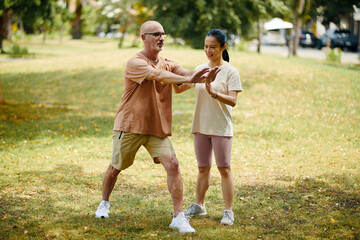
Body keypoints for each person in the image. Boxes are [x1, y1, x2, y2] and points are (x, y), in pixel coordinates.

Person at [94, 20, 217, 233]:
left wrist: (201, 78)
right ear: (144, 37)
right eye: (156, 34)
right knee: (115, 168)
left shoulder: (167, 62)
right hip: (130, 126)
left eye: (163, 34)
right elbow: (158, 76)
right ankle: (104, 202)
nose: (161, 38)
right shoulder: (135, 62)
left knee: (174, 165)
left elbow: (181, 80)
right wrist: (190, 77)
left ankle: (178, 217)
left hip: (156, 129)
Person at [174, 29, 242, 225]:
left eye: (213, 47)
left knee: (224, 169)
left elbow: (233, 101)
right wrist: (170, 73)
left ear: (223, 47)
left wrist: (213, 93)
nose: (208, 50)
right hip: (201, 126)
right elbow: (179, 89)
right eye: (206, 46)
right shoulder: (200, 69)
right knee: (203, 168)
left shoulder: (231, 71)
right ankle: (199, 205)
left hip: (221, 127)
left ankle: (228, 211)